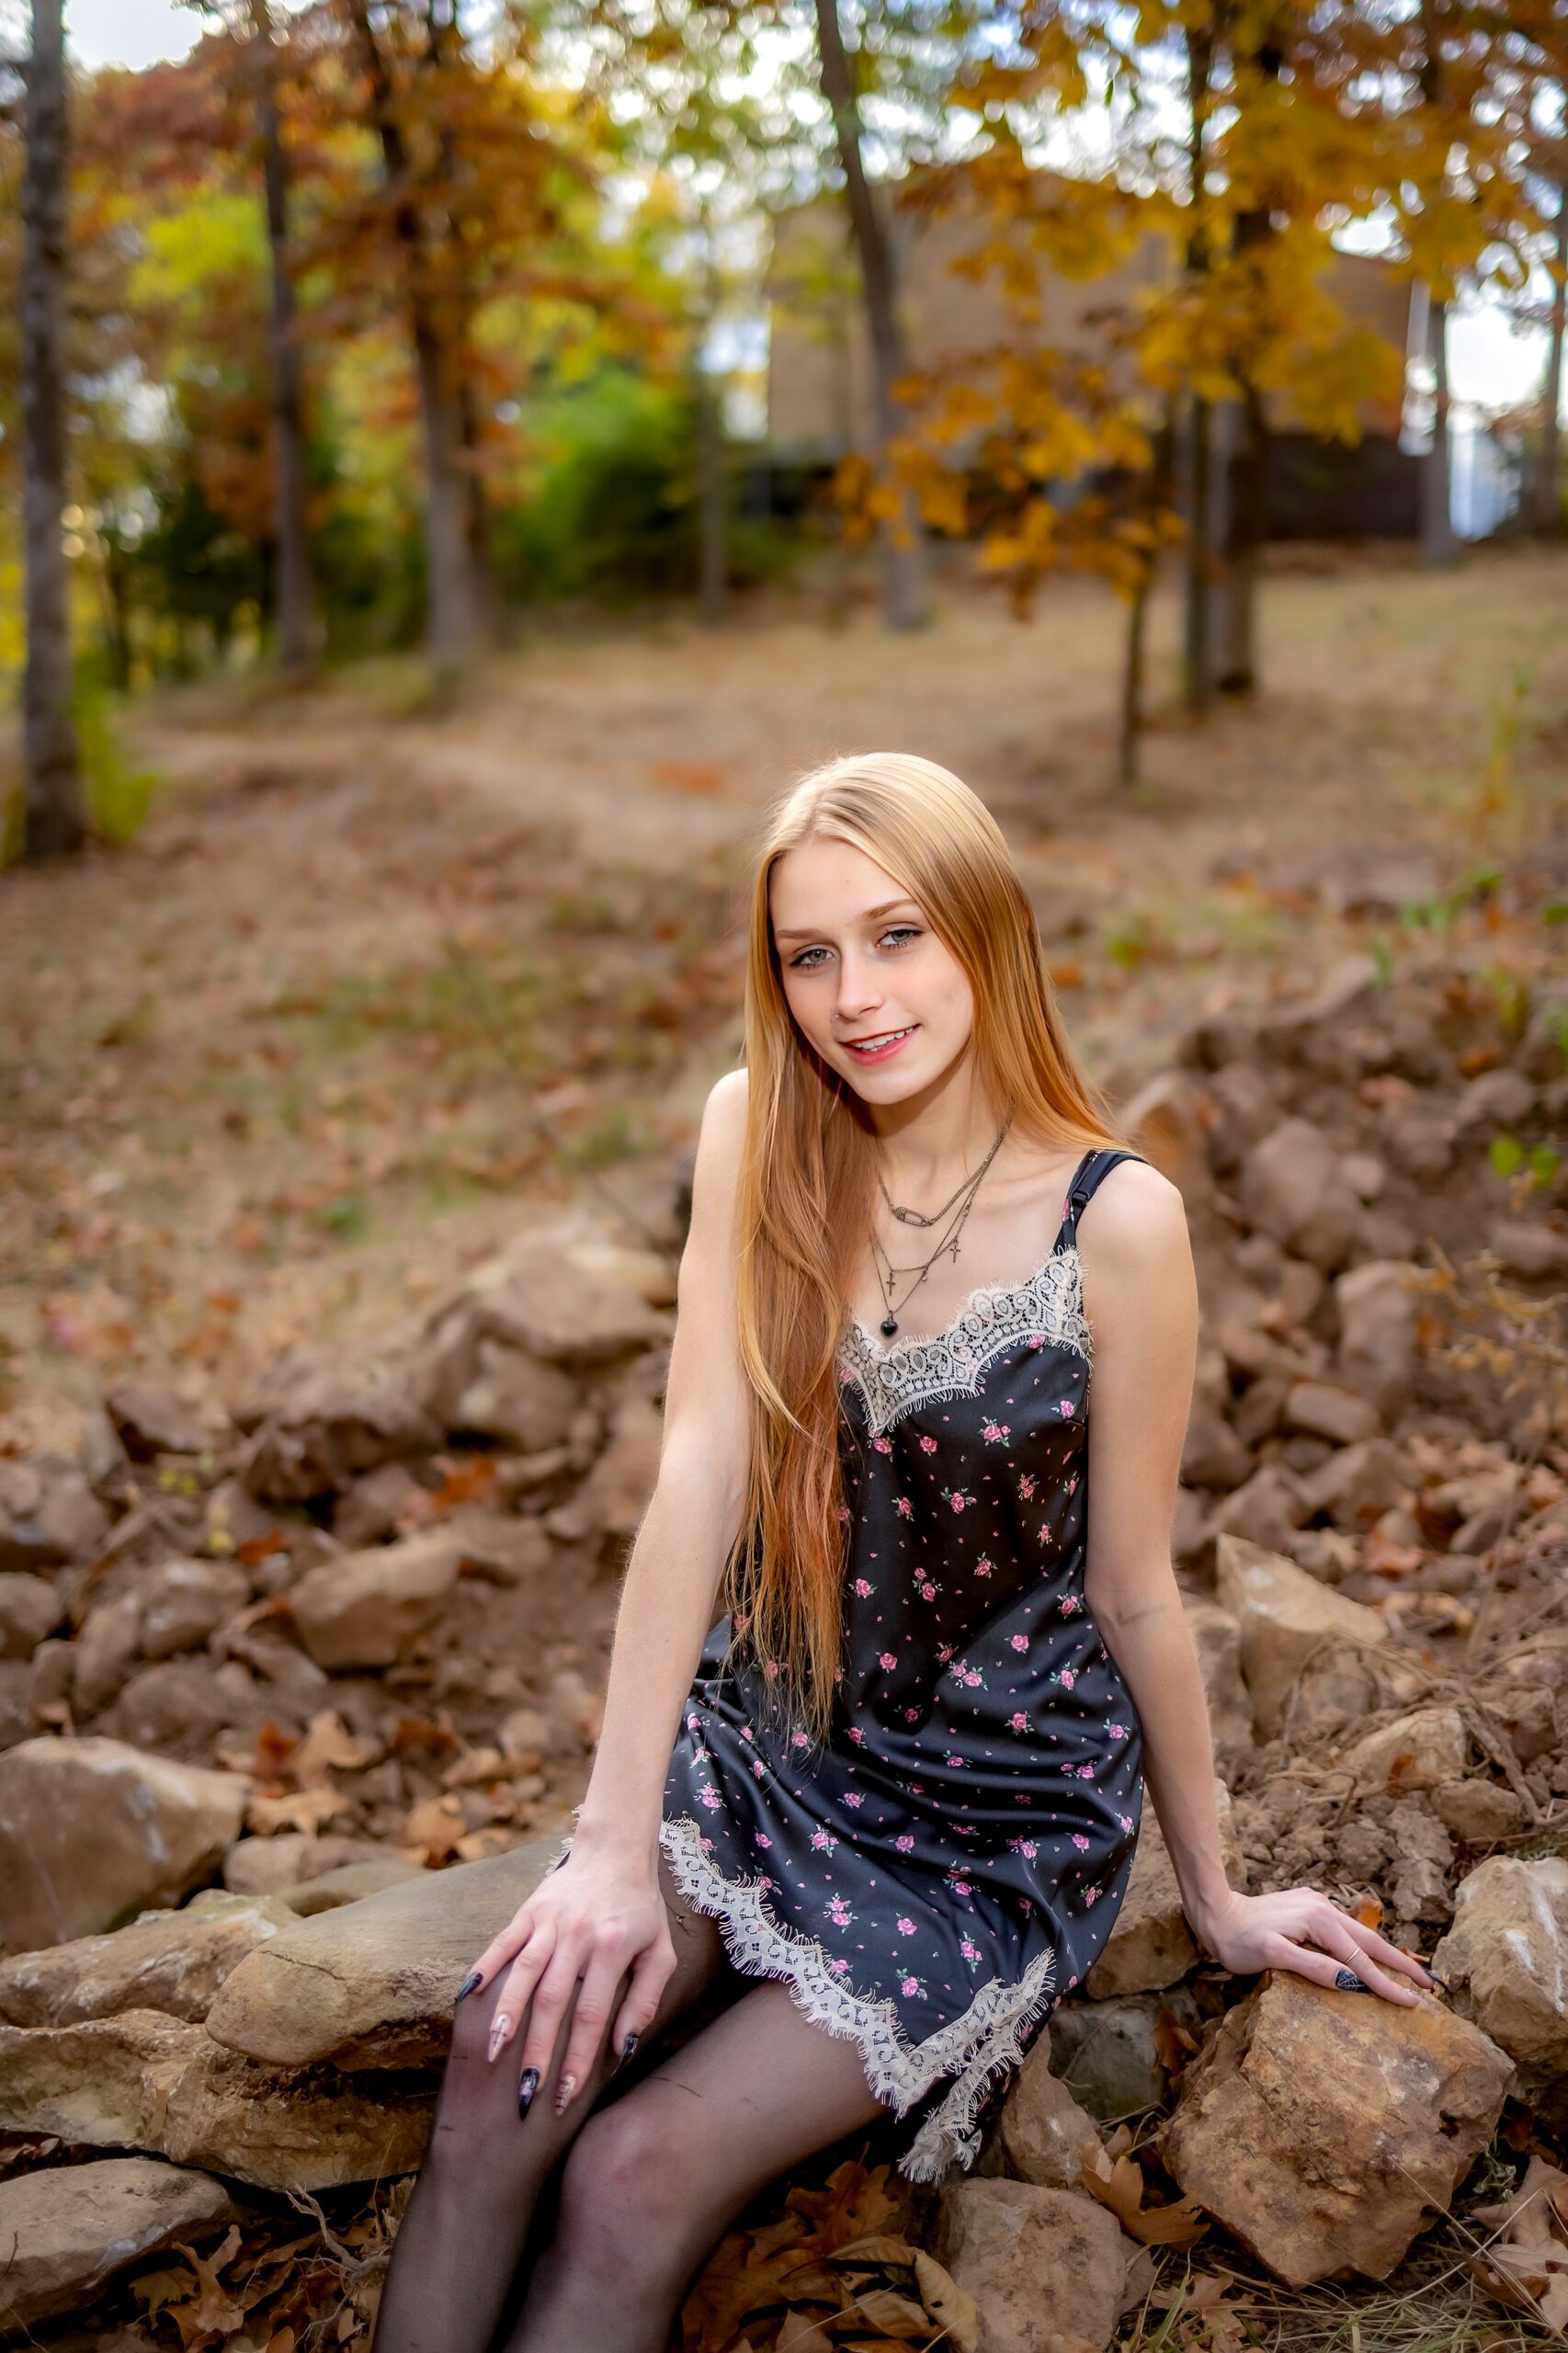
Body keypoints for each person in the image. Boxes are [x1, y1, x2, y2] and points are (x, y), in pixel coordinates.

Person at [370, 752, 1438, 2353]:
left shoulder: (1118, 1223)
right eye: (809, 954)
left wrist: (1212, 1894)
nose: (852, 997)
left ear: (984, 932)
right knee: (500, 2069)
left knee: (633, 2173)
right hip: (771, 1737)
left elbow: (1132, 1583)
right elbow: (697, 1469)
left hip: (983, 1820)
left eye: (896, 936)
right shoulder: (762, 1129)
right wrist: (604, 1845)